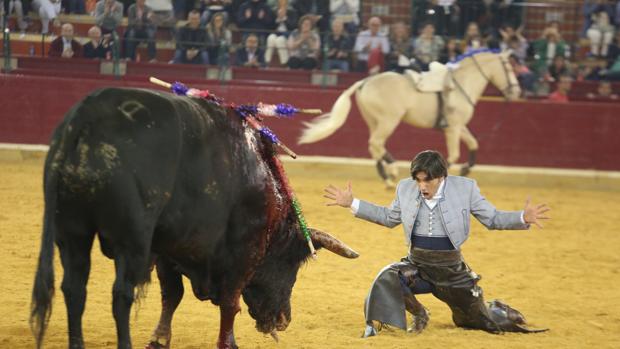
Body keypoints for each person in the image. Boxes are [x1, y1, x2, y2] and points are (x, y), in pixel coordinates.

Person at [323, 150, 550, 336]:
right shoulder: (405, 188)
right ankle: (420, 314)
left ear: (441, 176)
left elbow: (491, 218)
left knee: (476, 321)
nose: (422, 186)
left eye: (427, 180)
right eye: (418, 180)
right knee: (389, 277)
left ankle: (499, 310)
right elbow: (388, 217)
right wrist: (353, 203)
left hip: (453, 271)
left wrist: (522, 218)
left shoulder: (465, 188)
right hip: (419, 267)